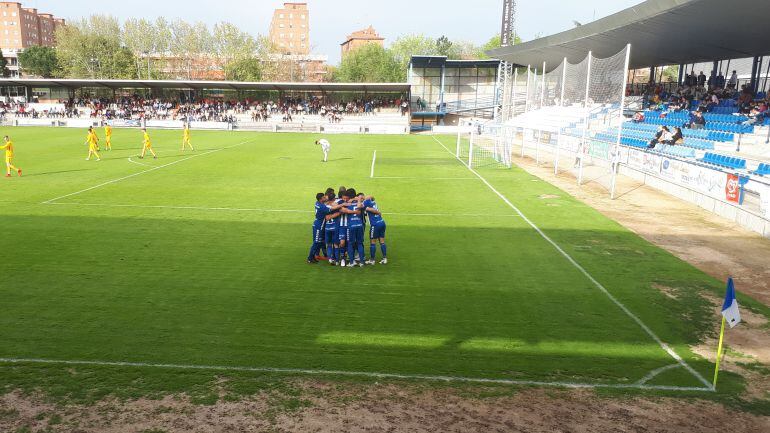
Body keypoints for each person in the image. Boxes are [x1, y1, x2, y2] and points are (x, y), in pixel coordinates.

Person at [339, 188, 366, 267]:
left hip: (351, 226)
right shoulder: (360, 202)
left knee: (350, 244)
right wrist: (358, 200)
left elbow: (343, 210)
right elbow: (361, 205)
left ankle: (351, 262)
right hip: (360, 225)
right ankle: (361, 262)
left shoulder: (347, 203)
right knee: (360, 243)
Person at [363, 196, 387, 265]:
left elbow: (369, 209)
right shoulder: (373, 202)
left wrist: (377, 212)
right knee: (382, 241)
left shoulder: (365, 203)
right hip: (382, 222)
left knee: (373, 242)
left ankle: (372, 260)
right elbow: (371, 197)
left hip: (375, 225)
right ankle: (384, 258)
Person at [308, 193, 331, 264]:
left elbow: (325, 204)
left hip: (317, 224)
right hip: (319, 226)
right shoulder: (322, 207)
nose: (325, 198)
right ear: (321, 199)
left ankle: (314, 257)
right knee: (316, 242)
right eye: (324, 197)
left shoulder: (317, 203)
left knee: (318, 242)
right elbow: (330, 210)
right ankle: (310, 258)